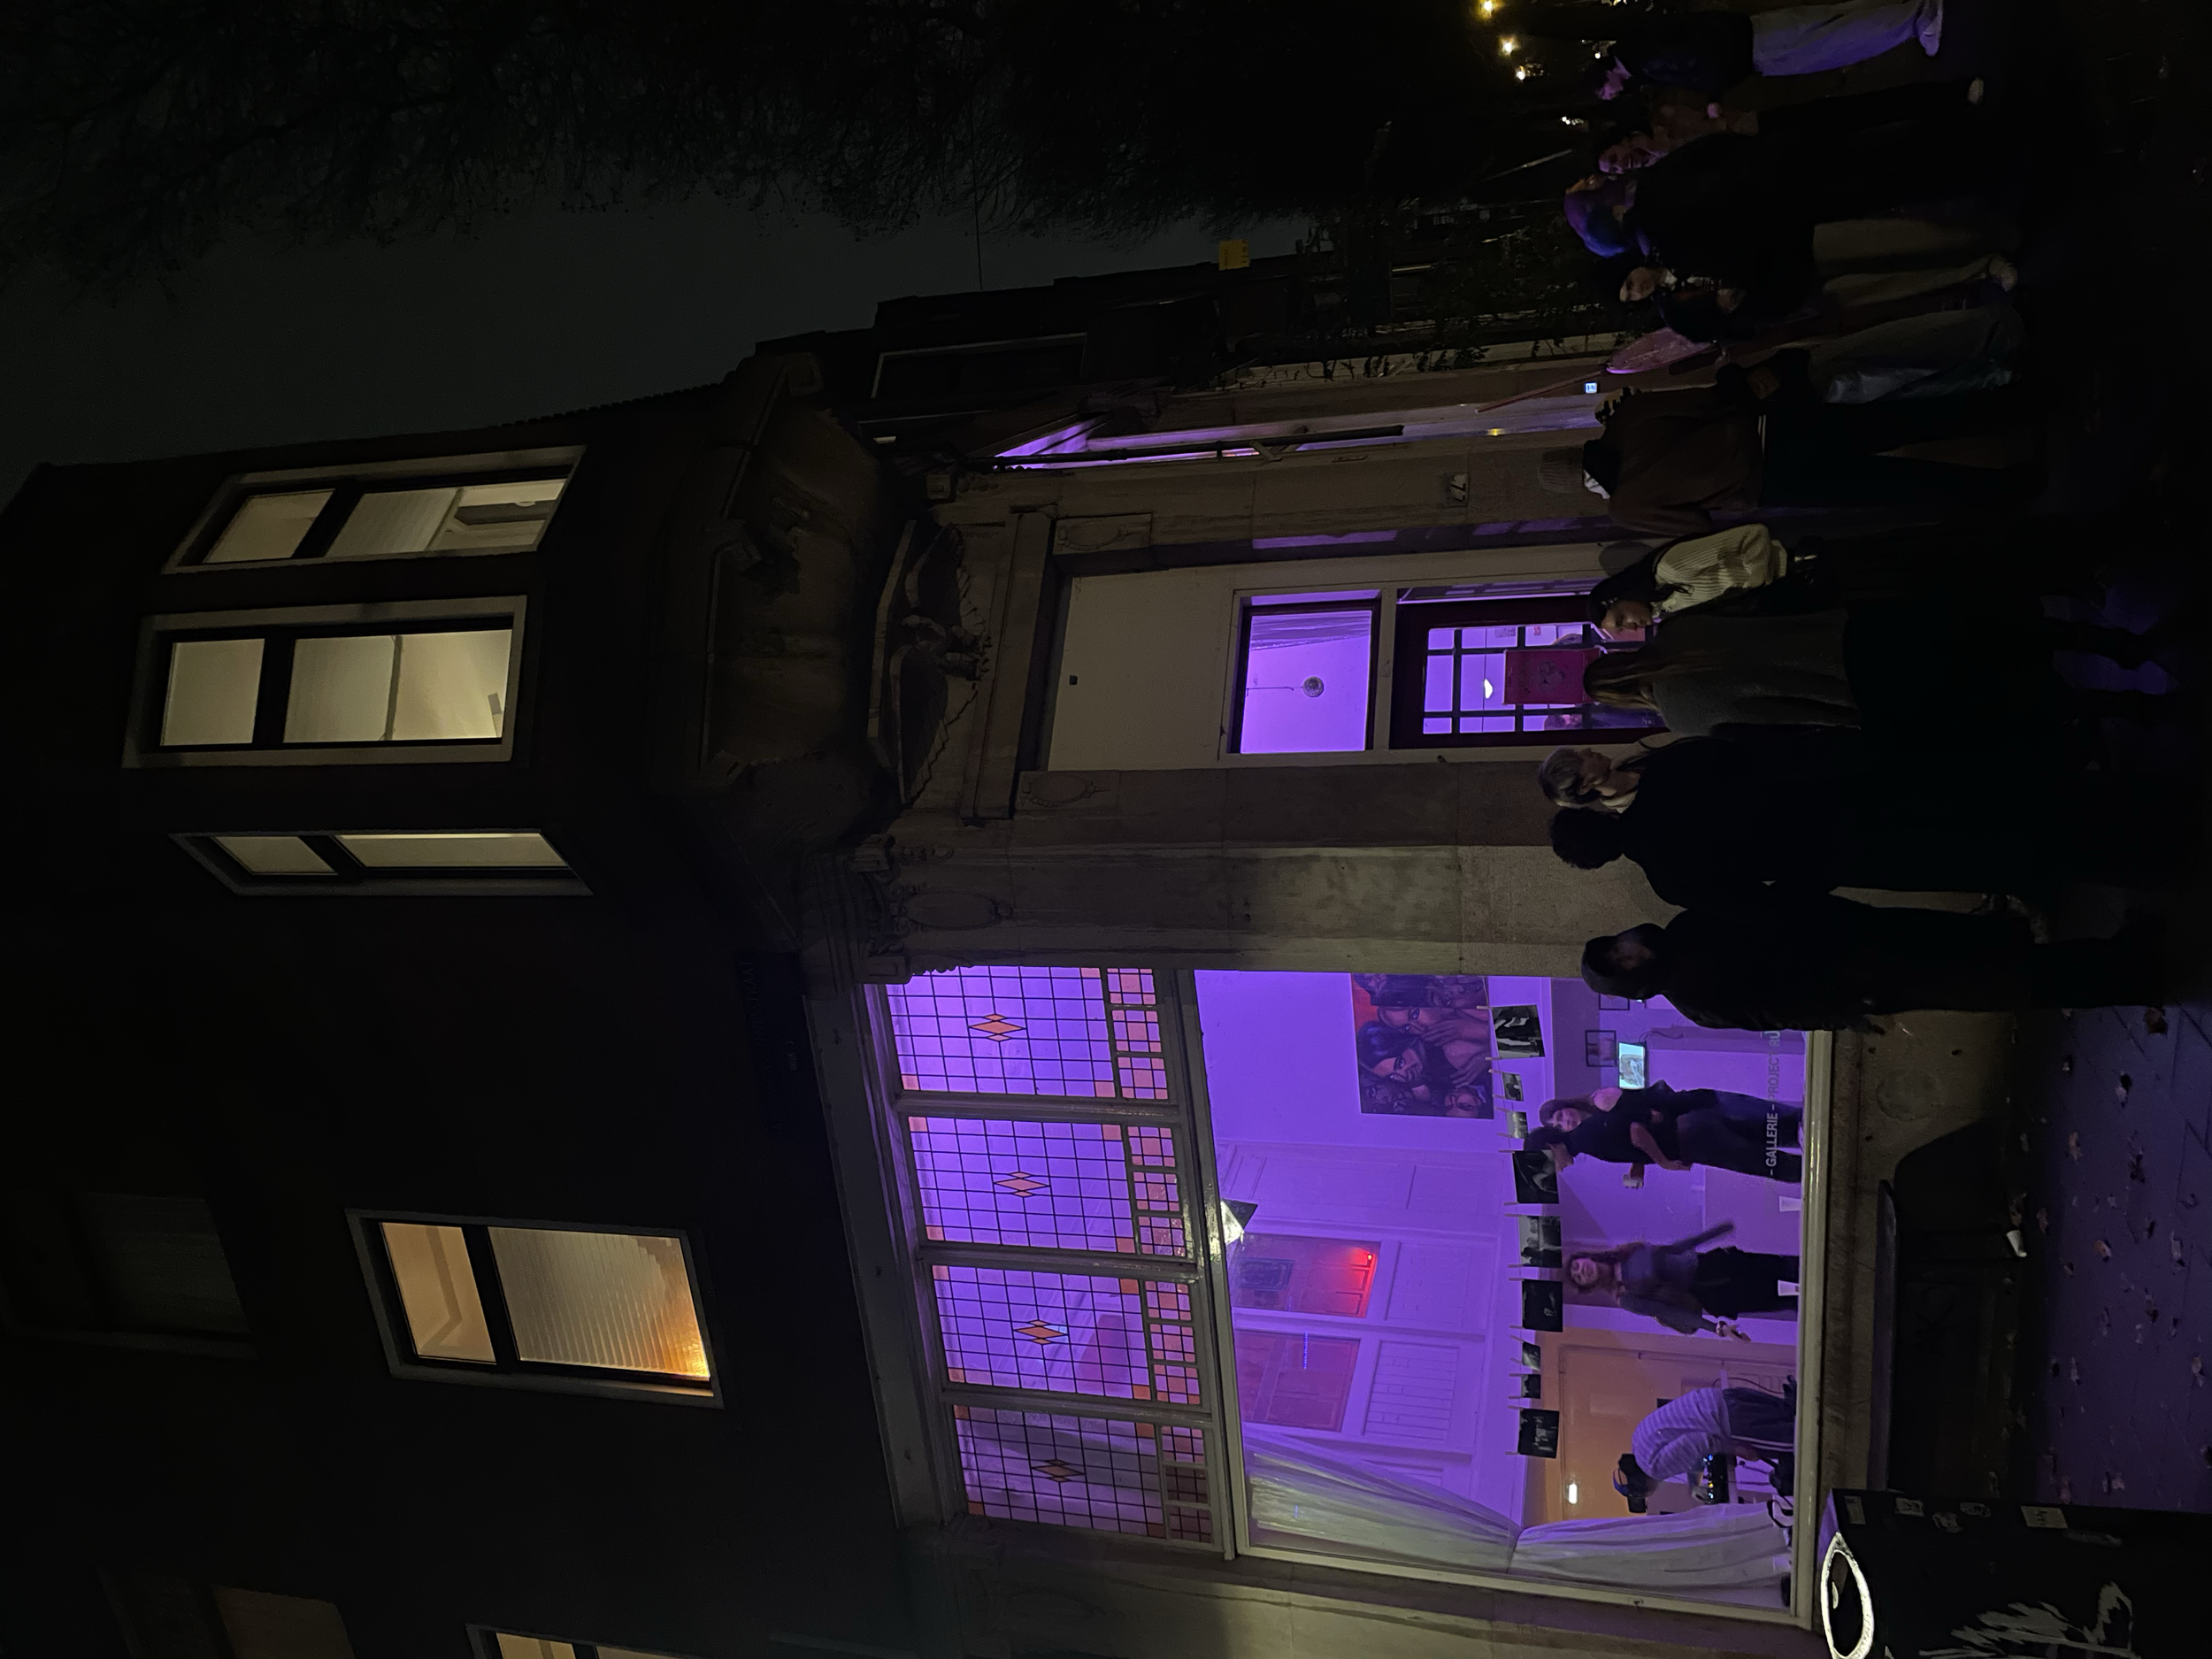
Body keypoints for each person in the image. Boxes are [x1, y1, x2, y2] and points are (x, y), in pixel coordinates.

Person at [1540, 734, 2197, 906]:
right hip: (1836, 808)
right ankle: (2136, 823)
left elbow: (1754, 892)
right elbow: (1741, 757)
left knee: (1986, 834)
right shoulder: (1665, 782)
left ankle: (2136, 848)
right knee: (1987, 815)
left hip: (1840, 830)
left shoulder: (1667, 867)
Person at [1578, 597, 2183, 740]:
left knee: (1995, 697)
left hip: (1858, 694)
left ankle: (2124, 708)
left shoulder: (1683, 721)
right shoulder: (1681, 630)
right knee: (1992, 633)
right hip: (1849, 633)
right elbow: (1767, 605)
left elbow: (1780, 725)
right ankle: (2110, 642)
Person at [1578, 894, 2167, 1033]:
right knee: (1993, 972)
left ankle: (2123, 967)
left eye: (1617, 946)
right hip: (1854, 964)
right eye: (1622, 958)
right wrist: (1843, 1006)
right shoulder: (1691, 965)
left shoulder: (1688, 967)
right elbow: (1775, 1006)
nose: (1629, 948)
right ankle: (2127, 969)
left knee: (1993, 970)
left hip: (1855, 956)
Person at [1553, 380, 2040, 538]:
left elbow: (1697, 526)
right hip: (1769, 428)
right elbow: (1704, 401)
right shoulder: (1632, 416)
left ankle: (2004, 489)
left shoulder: (1626, 507)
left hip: (1770, 483)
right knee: (1901, 421)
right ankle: (2014, 407)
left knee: (1891, 485)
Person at [1503, 2, 1944, 104]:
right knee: (1828, 19)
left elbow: (1704, 67)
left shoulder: (1646, 63)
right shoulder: (1638, 46)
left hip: (1751, 52)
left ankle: (1915, 19)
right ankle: (1905, 9)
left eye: (1607, 94)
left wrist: (1718, 89)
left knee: (1836, 42)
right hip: (1746, 31)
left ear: (1606, 80)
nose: (1614, 99)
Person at [1530, 1083, 1802, 1182]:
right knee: (1765, 1133)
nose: (1558, 1170)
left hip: (1689, 1137)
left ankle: (1821, 1173)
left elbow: (1636, 1130)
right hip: (1691, 1126)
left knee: (1763, 1161)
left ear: (1552, 1148)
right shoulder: (1586, 1134)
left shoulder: (1585, 1138)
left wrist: (1663, 1162)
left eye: (1550, 1165)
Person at [1570, 1222, 1801, 1338]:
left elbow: (1673, 1250)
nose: (1583, 1271)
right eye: (1579, 1277)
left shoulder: (1626, 1252)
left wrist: (1712, 1233)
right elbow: (1669, 1312)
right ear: (1587, 1286)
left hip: (1713, 1263)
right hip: (1713, 1291)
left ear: (1587, 1257)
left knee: (1783, 1265)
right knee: (1782, 1297)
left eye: (1578, 1266)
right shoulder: (1624, 1297)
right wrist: (1716, 1328)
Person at [1616, 1383, 1797, 1508]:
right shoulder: (1638, 1441)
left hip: (1731, 1422)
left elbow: (1701, 1442)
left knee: (1796, 1441)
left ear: (1642, 1487)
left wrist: (1734, 1448)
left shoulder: (1654, 1468)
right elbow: (1684, 1441)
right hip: (1722, 1399)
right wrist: (1692, 1484)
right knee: (1794, 1412)